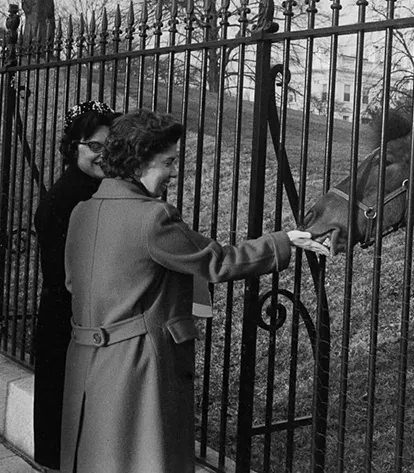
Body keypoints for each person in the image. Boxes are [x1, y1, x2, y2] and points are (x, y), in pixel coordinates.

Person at [59, 109, 327, 473]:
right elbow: (218, 261)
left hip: (85, 365)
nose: (172, 173)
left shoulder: (81, 212)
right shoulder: (152, 219)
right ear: (139, 161)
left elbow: (74, 283)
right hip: (137, 367)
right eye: (167, 162)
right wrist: (283, 241)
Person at [33, 100, 118, 471]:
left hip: (72, 320)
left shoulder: (91, 190)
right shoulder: (75, 196)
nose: (103, 155)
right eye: (94, 146)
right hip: (68, 323)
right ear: (73, 147)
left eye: (110, 146)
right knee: (69, 429)